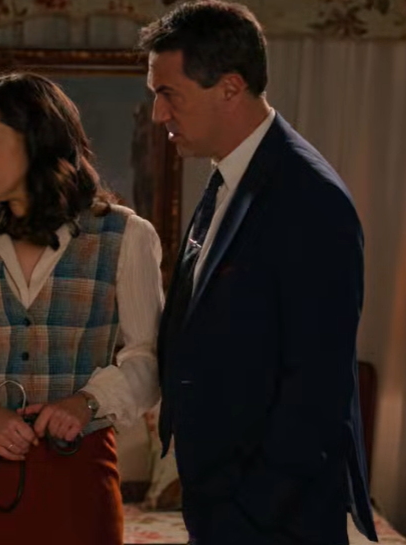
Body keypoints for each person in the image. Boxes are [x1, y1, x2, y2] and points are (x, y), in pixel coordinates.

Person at [138, 2, 377, 544]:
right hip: (221, 500)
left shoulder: (308, 197)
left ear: (230, 87)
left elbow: (318, 390)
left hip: (272, 518)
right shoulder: (230, 176)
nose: (157, 114)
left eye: (168, 94)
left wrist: (247, 513)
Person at [0, 72, 163, 545]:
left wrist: (86, 403)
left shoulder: (127, 236)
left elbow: (148, 358)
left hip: (78, 473)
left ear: (36, 137)